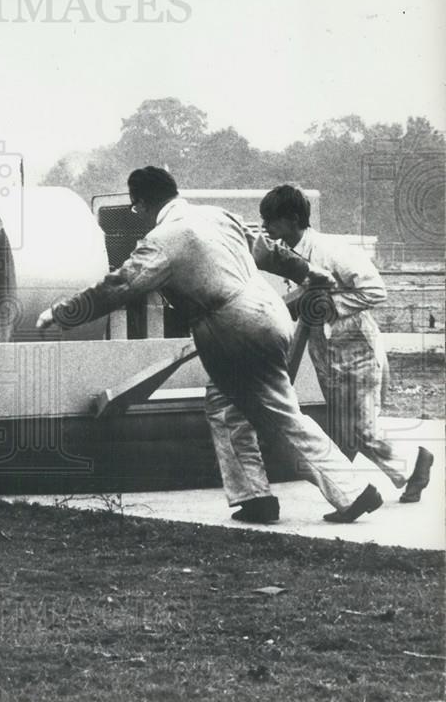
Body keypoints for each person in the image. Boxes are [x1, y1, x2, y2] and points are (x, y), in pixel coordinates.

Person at [36, 166, 384, 523]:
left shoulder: (163, 240)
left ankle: (352, 492)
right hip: (271, 313)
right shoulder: (217, 215)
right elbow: (266, 250)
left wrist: (62, 313)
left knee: (280, 415)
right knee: (225, 407)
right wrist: (306, 273)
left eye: (137, 208)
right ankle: (254, 498)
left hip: (232, 329)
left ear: (140, 205)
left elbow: (119, 286)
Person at [257, 184, 433, 503]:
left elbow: (376, 291)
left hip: (357, 351)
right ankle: (364, 490)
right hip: (324, 352)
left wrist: (333, 306)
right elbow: (307, 297)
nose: (266, 227)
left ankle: (411, 467)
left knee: (362, 429)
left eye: (271, 219)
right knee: (346, 430)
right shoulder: (290, 256)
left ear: (293, 218)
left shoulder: (333, 250)